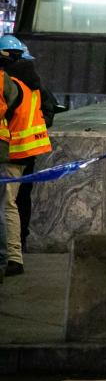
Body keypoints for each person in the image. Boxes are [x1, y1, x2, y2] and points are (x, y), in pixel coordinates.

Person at [0, 36, 33, 280]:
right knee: (13, 203)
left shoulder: (9, 82)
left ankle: (10, 258)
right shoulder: (30, 85)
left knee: (7, 205)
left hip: (10, 152)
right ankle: (12, 256)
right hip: (23, 151)